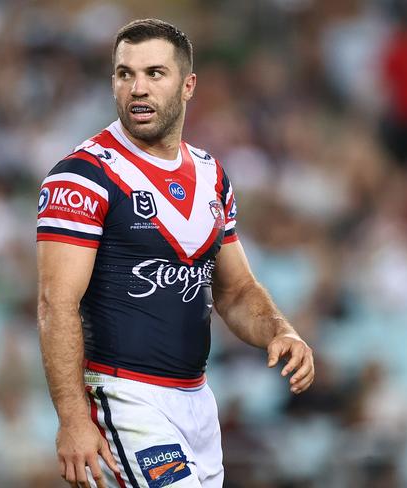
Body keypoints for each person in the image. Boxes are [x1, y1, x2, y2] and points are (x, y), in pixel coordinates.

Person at [36, 19, 314, 488]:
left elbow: (236, 290)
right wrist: (72, 419)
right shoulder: (82, 176)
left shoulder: (212, 175)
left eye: (154, 74)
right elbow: (54, 304)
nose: (138, 89)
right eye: (125, 74)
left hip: (198, 399)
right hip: (125, 397)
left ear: (188, 86)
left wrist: (279, 331)